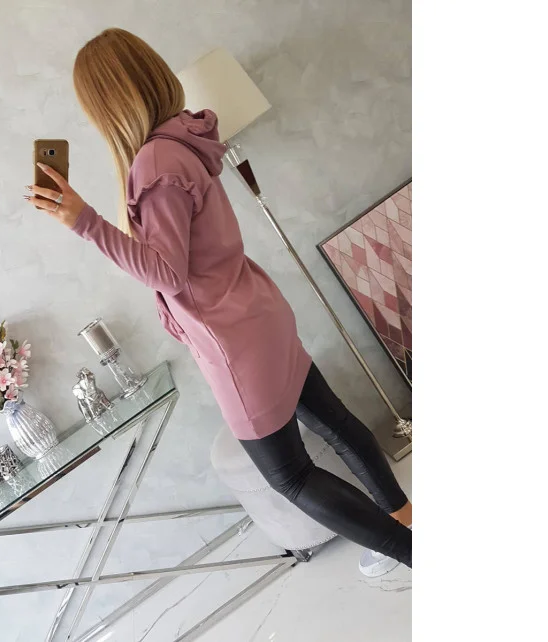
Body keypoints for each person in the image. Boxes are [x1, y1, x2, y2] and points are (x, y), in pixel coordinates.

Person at [24, 28, 412, 575]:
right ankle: (405, 517)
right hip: (259, 313)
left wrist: (84, 222)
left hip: (236, 342)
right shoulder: (182, 139)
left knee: (290, 475)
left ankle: (410, 550)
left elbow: (166, 271)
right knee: (335, 422)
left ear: (106, 105)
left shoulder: (154, 164)